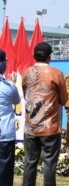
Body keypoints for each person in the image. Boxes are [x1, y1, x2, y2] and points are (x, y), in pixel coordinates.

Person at [22, 42, 68, 186]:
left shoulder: (26, 73)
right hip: (50, 128)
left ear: (34, 56)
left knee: (29, 163)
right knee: (49, 164)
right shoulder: (56, 73)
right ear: (50, 57)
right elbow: (64, 99)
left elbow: (26, 96)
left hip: (30, 127)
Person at [0, 49, 20, 186]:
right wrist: (12, 82)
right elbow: (16, 101)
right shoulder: (9, 86)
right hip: (5, 135)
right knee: (5, 173)